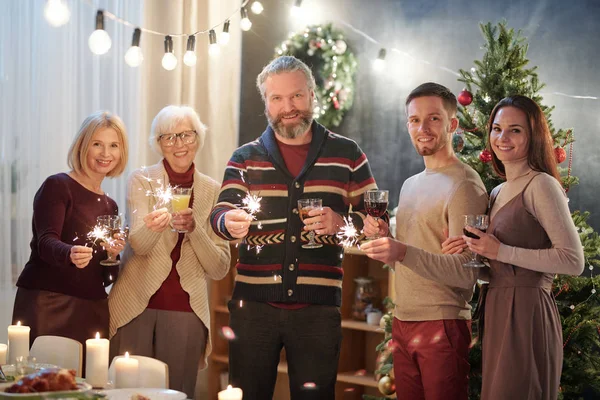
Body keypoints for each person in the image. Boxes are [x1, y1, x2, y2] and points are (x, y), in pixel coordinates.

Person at [363, 94, 585, 399]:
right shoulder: (497, 191)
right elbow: (487, 270)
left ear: (533, 134)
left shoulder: (542, 185)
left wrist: (497, 251)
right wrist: (472, 254)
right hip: (495, 308)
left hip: (527, 312)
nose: (502, 137)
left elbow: (573, 261)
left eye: (515, 130)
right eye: (496, 128)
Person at [210, 55, 379, 399]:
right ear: (267, 104)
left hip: (318, 313)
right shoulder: (244, 157)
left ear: (313, 95)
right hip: (252, 311)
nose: (288, 107)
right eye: (277, 98)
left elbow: (379, 221)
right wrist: (228, 221)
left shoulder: (347, 153)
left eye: (297, 96)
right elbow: (219, 215)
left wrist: (341, 222)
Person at [361, 82, 488, 400]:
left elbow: (465, 273)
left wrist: (401, 250)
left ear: (452, 124)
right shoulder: (410, 185)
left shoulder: (465, 186)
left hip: (442, 325)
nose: (423, 128)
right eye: (415, 120)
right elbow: (404, 262)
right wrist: (385, 242)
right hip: (403, 322)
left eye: (433, 118)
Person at [108, 105, 230, 399]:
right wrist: (160, 220)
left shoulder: (214, 190)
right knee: (127, 393)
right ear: (158, 143)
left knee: (176, 393)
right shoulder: (142, 179)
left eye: (186, 135)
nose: (178, 144)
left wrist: (194, 229)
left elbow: (219, 268)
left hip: (186, 311)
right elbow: (140, 244)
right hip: (135, 304)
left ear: (197, 138)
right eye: (168, 137)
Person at [13, 111, 128, 349]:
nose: (106, 154)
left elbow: (106, 278)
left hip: (92, 309)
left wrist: (112, 256)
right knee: (40, 382)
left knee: (87, 384)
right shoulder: (57, 186)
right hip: (47, 303)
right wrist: (70, 253)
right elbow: (46, 242)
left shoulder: (110, 205)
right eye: (97, 144)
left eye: (113, 145)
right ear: (83, 146)